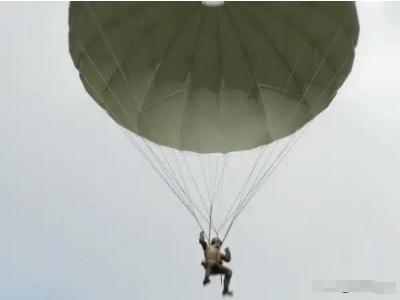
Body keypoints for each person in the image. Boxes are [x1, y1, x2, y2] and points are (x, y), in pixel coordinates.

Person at [199, 231, 233, 296]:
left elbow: (228, 259)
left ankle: (225, 290)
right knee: (212, 262)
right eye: (218, 242)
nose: (219, 244)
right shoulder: (208, 247)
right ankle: (206, 278)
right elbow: (202, 241)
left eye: (220, 243)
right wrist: (201, 234)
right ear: (213, 242)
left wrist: (227, 251)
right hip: (209, 265)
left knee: (229, 272)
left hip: (216, 267)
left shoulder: (220, 253)